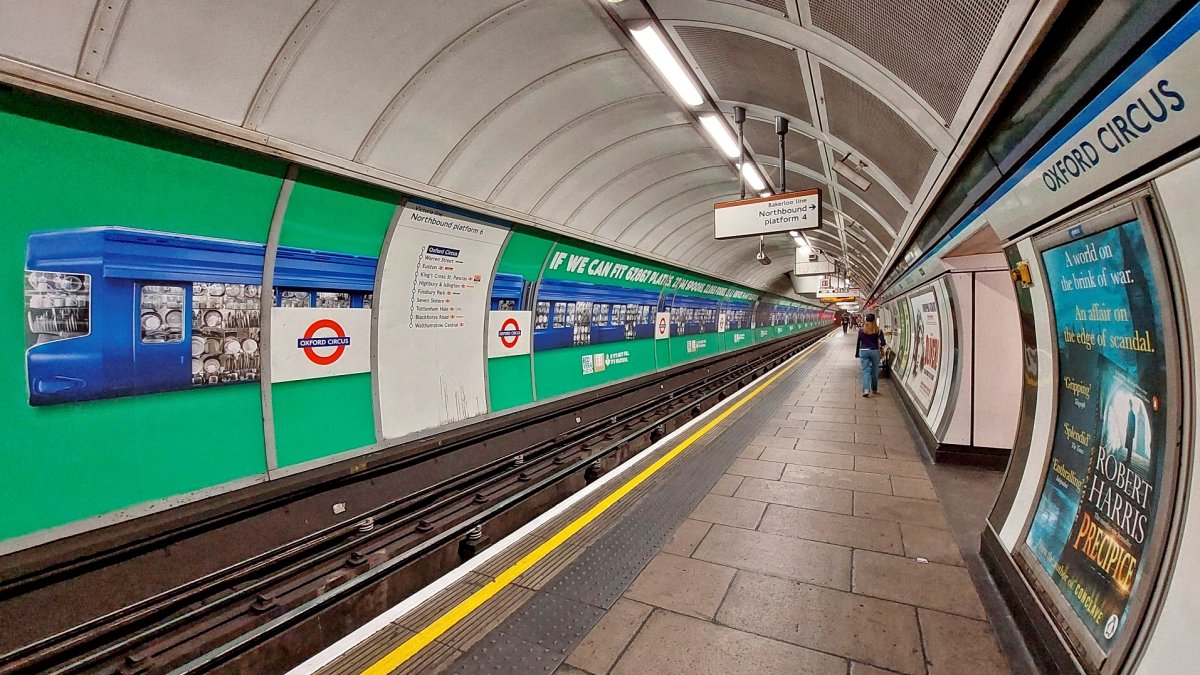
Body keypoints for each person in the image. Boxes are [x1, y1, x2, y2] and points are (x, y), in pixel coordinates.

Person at [856, 313, 886, 397]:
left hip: (864, 351)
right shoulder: (878, 330)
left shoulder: (861, 330)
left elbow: (859, 342)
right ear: (874, 321)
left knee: (865, 371)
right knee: (875, 371)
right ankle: (874, 389)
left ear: (866, 320)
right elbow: (883, 343)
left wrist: (857, 353)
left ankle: (866, 390)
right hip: (874, 351)